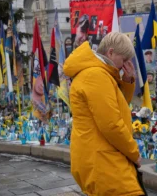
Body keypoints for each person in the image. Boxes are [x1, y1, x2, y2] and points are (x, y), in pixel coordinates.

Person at [64, 32, 144, 196]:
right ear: (110, 52)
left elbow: (117, 107)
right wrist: (134, 153)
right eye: (123, 60)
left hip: (102, 157)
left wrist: (128, 82)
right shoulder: (96, 75)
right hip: (103, 161)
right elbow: (111, 124)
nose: (124, 66)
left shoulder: (98, 73)